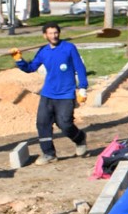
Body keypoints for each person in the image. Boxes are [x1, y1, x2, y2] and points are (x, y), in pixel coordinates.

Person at [11, 22, 89, 164]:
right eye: (51, 33)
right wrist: (19, 60)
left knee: (64, 124)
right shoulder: (43, 51)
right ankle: (49, 154)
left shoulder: (69, 48)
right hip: (48, 94)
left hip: (66, 94)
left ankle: (80, 138)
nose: (54, 36)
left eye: (56, 33)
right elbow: (30, 68)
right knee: (42, 123)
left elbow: (80, 68)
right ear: (45, 35)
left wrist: (82, 88)